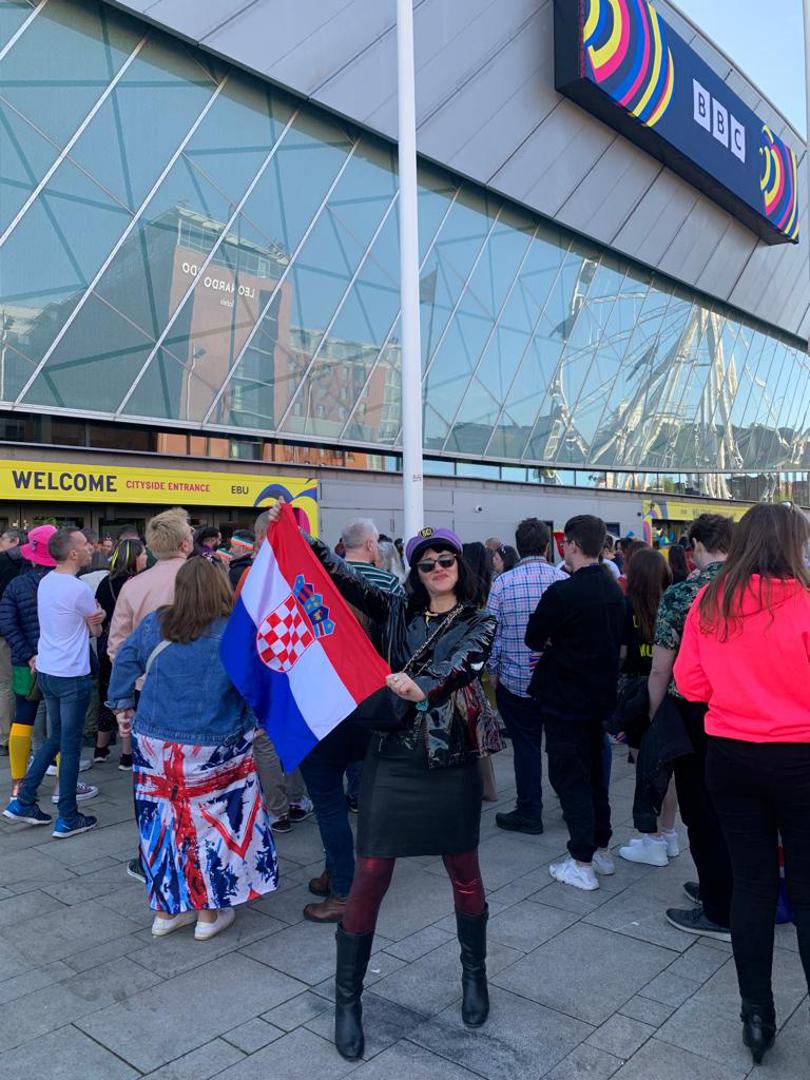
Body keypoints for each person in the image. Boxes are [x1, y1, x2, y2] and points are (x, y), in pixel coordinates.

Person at [286, 507, 496, 1060]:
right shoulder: (397, 607)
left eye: (446, 559)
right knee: (371, 873)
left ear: (460, 564)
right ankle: (347, 1002)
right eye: (426, 563)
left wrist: (422, 683)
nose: (437, 568)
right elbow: (344, 578)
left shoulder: (480, 619)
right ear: (415, 571)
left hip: (450, 760)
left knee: (464, 869)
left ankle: (474, 977)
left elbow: (466, 662)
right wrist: (305, 541)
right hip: (392, 759)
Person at [674, 503, 810, 1066]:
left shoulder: (710, 601)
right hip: (800, 757)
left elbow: (689, 683)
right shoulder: (806, 602)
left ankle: (756, 1014)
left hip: (731, 755)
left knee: (752, 886)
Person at [107, 558, 278, 939]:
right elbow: (255, 685)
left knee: (161, 825)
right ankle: (207, 914)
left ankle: (166, 911)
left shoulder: (156, 622)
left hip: (154, 743)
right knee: (212, 828)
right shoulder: (235, 630)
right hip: (215, 745)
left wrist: (121, 705)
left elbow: (124, 661)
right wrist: (257, 723)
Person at [301, 517, 404, 923]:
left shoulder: (322, 599)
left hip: (331, 713)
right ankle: (338, 872)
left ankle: (344, 889)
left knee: (329, 805)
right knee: (356, 801)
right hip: (371, 706)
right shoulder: (388, 590)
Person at [526, 515, 625, 891]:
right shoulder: (613, 589)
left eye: (565, 543)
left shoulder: (563, 592)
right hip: (599, 698)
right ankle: (600, 847)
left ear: (573, 544)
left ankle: (582, 859)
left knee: (570, 775)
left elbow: (534, 637)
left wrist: (556, 641)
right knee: (595, 773)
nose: (563, 549)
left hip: (565, 699)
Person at [649, 513, 734, 940]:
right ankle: (727, 890)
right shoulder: (749, 587)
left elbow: (660, 669)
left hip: (693, 711)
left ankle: (719, 907)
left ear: (697, 544)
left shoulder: (684, 593)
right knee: (733, 809)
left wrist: (655, 717)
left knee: (700, 809)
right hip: (741, 712)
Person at [108, 508, 194, 881]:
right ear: (185, 543)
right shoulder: (205, 579)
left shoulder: (134, 586)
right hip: (198, 690)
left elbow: (118, 647)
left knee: (151, 778)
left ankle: (151, 856)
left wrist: (127, 692)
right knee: (197, 773)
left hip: (149, 691)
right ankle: (194, 851)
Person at [3, 529, 103, 837]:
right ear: (72, 553)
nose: (90, 548)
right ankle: (68, 816)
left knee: (56, 737)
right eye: (85, 545)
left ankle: (24, 800)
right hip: (71, 674)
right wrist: (97, 619)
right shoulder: (79, 589)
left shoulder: (46, 581)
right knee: (69, 746)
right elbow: (95, 629)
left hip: (47, 670)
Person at [487, 518, 566, 835]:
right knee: (560, 746)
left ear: (518, 548)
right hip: (557, 682)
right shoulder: (562, 579)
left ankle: (529, 810)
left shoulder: (502, 584)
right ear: (546, 547)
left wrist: (493, 673)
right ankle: (570, 804)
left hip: (515, 680)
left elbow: (491, 635)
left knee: (526, 749)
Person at [237, 511, 313, 837]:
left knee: (265, 738)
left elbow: (239, 624)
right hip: (296, 663)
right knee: (292, 730)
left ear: (258, 536)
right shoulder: (301, 572)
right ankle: (296, 799)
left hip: (261, 665)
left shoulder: (250, 575)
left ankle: (278, 810)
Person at [616, 549, 679, 866]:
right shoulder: (675, 603)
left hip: (637, 692)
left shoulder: (627, 606)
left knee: (645, 766)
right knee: (668, 768)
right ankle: (668, 834)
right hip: (672, 689)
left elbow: (622, 654)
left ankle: (651, 839)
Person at [93, 539, 148, 765]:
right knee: (128, 697)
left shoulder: (105, 582)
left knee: (108, 695)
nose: (146, 557)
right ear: (134, 558)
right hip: (130, 644)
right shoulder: (138, 584)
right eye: (143, 553)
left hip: (107, 643)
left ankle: (100, 749)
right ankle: (127, 755)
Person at [0, 528, 27, 756]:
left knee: (6, 684)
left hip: (6, 632)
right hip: (12, 632)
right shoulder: (21, 566)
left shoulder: (8, 564)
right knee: (9, 684)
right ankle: (8, 735)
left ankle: (7, 735)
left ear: (15, 540)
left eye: (2, 539)